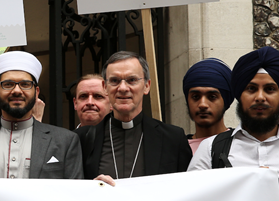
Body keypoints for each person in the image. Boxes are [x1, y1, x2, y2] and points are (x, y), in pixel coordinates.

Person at [0, 51, 83, 179]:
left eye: (25, 84)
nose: (17, 91)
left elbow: (75, 194)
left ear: (36, 92)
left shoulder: (65, 141)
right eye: (8, 84)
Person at [77, 51, 192, 182]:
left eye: (132, 80)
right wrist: (90, 190)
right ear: (105, 88)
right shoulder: (81, 140)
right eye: (114, 81)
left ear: (146, 86)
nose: (123, 88)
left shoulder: (173, 139)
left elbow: (186, 191)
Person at [188, 47, 279, 170]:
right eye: (251, 89)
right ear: (239, 94)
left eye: (270, 89)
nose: (260, 97)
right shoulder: (210, 149)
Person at [182, 58, 233, 154]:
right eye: (196, 97)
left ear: (225, 101)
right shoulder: (175, 151)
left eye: (212, 97)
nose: (202, 104)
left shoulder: (241, 145)